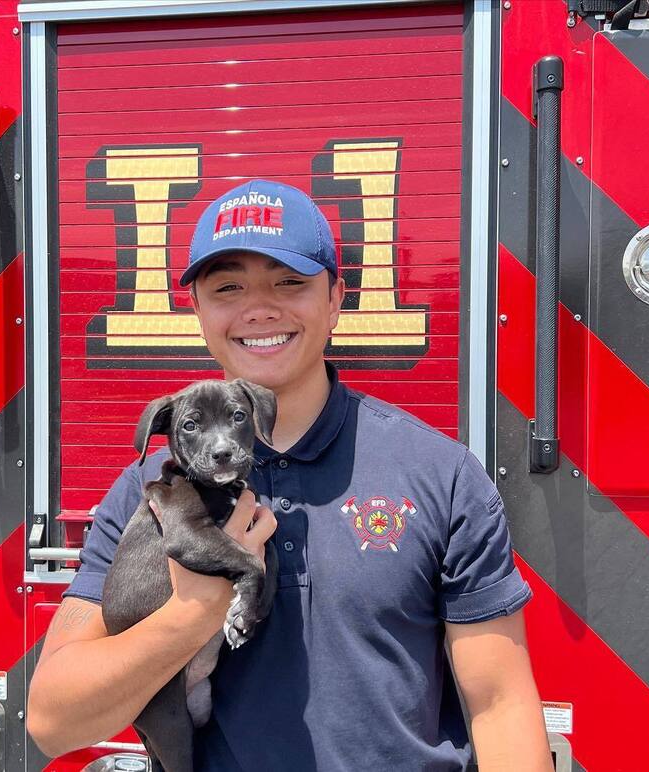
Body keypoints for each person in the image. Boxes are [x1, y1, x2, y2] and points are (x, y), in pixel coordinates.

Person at [28, 180, 552, 770]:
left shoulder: (440, 475)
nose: (260, 307)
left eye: (290, 282)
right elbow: (54, 721)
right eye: (228, 287)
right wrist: (192, 613)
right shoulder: (151, 492)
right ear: (197, 310)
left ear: (335, 299)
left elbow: (501, 704)